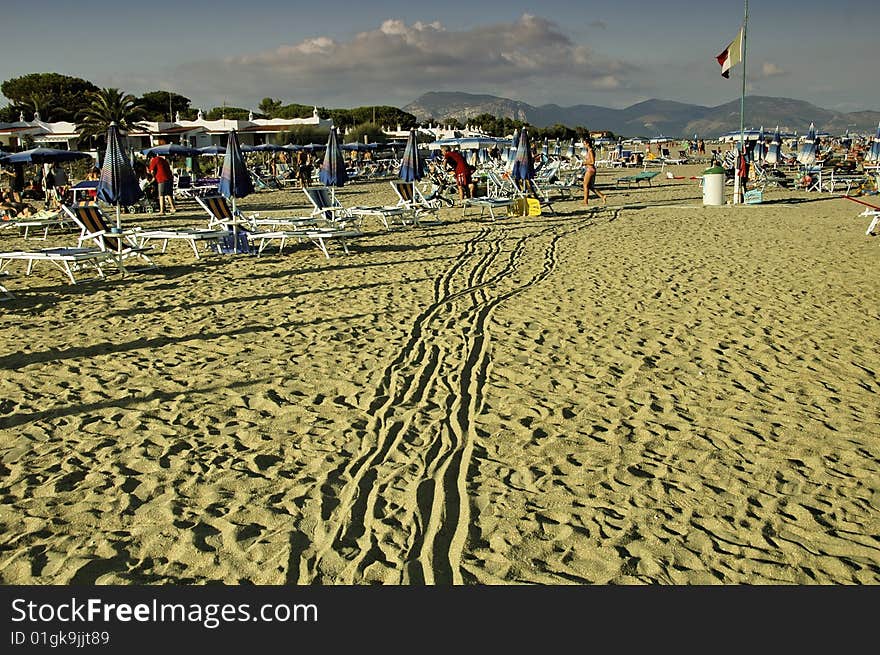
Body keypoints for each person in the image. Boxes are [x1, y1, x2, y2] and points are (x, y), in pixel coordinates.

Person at [581, 136, 607, 207]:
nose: (584, 145)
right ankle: (602, 196)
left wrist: (585, 163)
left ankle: (585, 201)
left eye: (584, 144)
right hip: (591, 169)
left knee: (585, 185)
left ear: (588, 144)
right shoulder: (590, 151)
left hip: (590, 170)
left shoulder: (590, 151)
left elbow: (592, 162)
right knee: (591, 187)